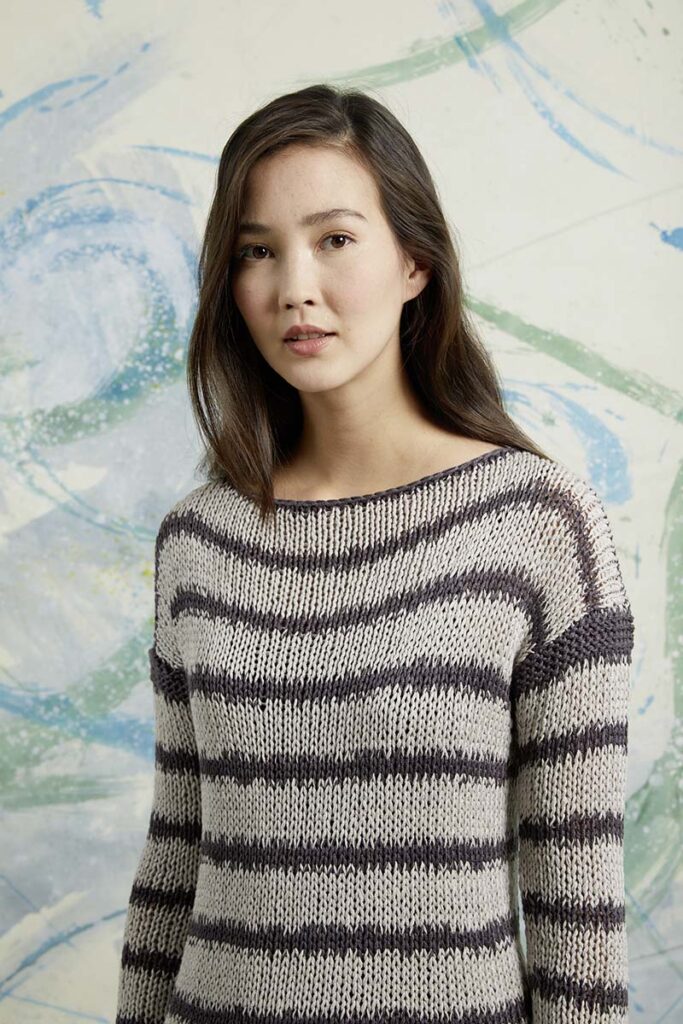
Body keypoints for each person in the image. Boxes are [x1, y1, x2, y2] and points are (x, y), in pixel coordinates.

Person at [115, 84, 634, 1024]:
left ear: (414, 262)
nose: (294, 287)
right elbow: (176, 856)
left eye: (335, 239)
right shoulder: (198, 542)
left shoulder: (538, 524)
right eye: (256, 251)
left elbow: (577, 906)